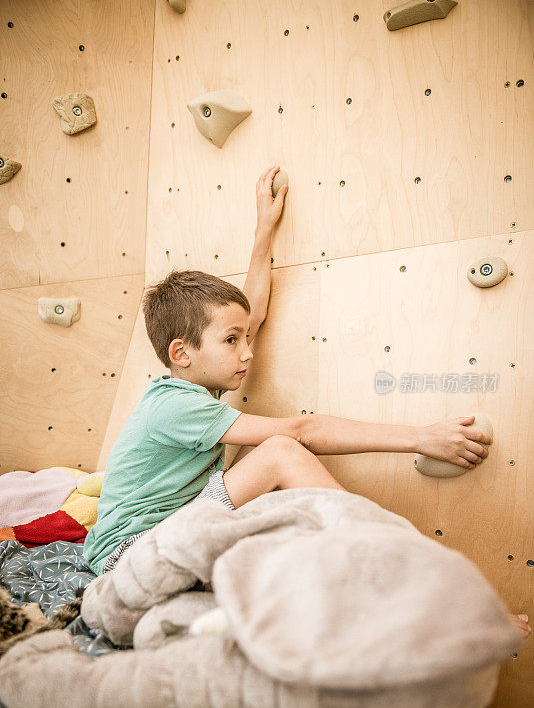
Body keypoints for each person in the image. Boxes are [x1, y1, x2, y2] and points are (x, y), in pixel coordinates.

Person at [81, 165, 531, 642]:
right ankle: (419, 590)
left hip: (172, 535)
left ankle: (384, 601)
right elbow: (301, 432)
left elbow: (251, 310)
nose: (248, 351)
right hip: (130, 557)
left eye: (244, 338)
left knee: (286, 514)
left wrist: (264, 229)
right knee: (277, 452)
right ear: (181, 353)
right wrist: (422, 437)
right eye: (232, 341)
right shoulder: (173, 405)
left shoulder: (195, 387)